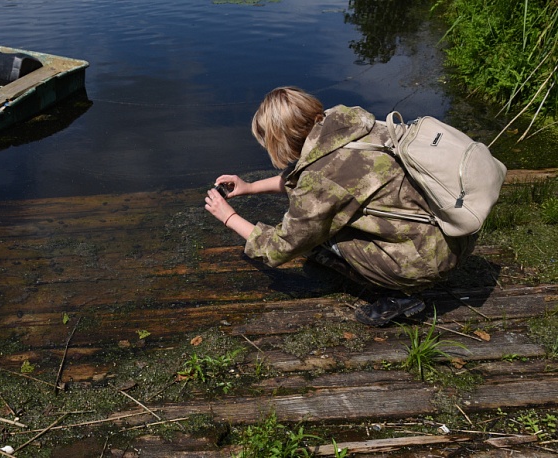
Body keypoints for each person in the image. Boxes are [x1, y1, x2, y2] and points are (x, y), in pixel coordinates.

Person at [204, 87, 476, 326]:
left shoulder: (322, 179)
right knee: (323, 221)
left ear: (279, 141)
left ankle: (400, 296)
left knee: (315, 239)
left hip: (427, 262)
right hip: (455, 231)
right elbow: (317, 177)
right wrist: (249, 187)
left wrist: (229, 217)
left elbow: (280, 247)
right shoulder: (351, 128)